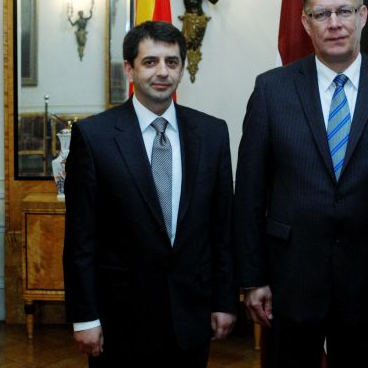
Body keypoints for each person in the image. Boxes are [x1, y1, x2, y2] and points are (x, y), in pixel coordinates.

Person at [234, 0, 368, 368]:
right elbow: (249, 194)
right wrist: (253, 278)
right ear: (306, 23)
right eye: (321, 14)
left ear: (363, 16)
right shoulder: (272, 90)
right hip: (290, 277)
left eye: (344, 11)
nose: (335, 23)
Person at [63, 21, 237, 368]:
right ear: (129, 69)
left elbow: (222, 229)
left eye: (172, 62)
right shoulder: (94, 136)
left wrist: (224, 301)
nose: (162, 72)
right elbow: (81, 238)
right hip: (120, 321)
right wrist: (85, 317)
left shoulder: (212, 133)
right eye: (150, 62)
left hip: (191, 315)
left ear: (182, 69)